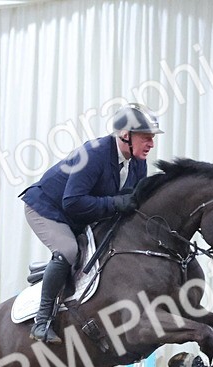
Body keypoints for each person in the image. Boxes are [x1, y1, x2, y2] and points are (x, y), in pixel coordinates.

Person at [21, 103, 163, 343]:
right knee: (67, 250)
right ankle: (41, 321)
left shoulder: (138, 162)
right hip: (47, 208)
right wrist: (116, 203)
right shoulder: (95, 154)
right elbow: (73, 202)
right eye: (146, 138)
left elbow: (132, 203)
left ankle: (52, 272)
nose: (151, 144)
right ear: (125, 135)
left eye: (152, 138)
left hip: (79, 213)